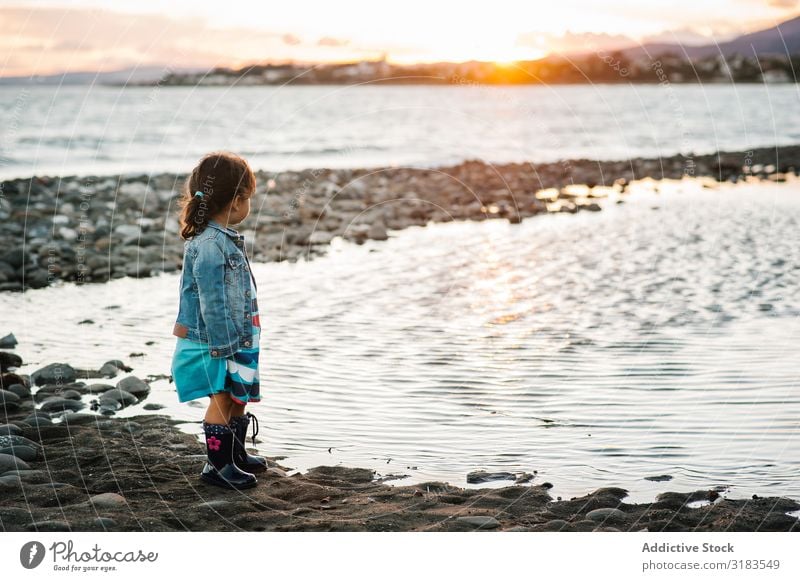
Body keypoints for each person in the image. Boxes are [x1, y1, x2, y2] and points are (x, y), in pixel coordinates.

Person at [170, 151, 267, 490]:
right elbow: (212, 300)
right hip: (216, 341)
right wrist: (224, 346)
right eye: (249, 197)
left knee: (238, 396)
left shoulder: (222, 238)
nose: (249, 204)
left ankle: (235, 453)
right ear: (237, 199)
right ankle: (217, 464)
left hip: (237, 337)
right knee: (222, 398)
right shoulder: (211, 244)